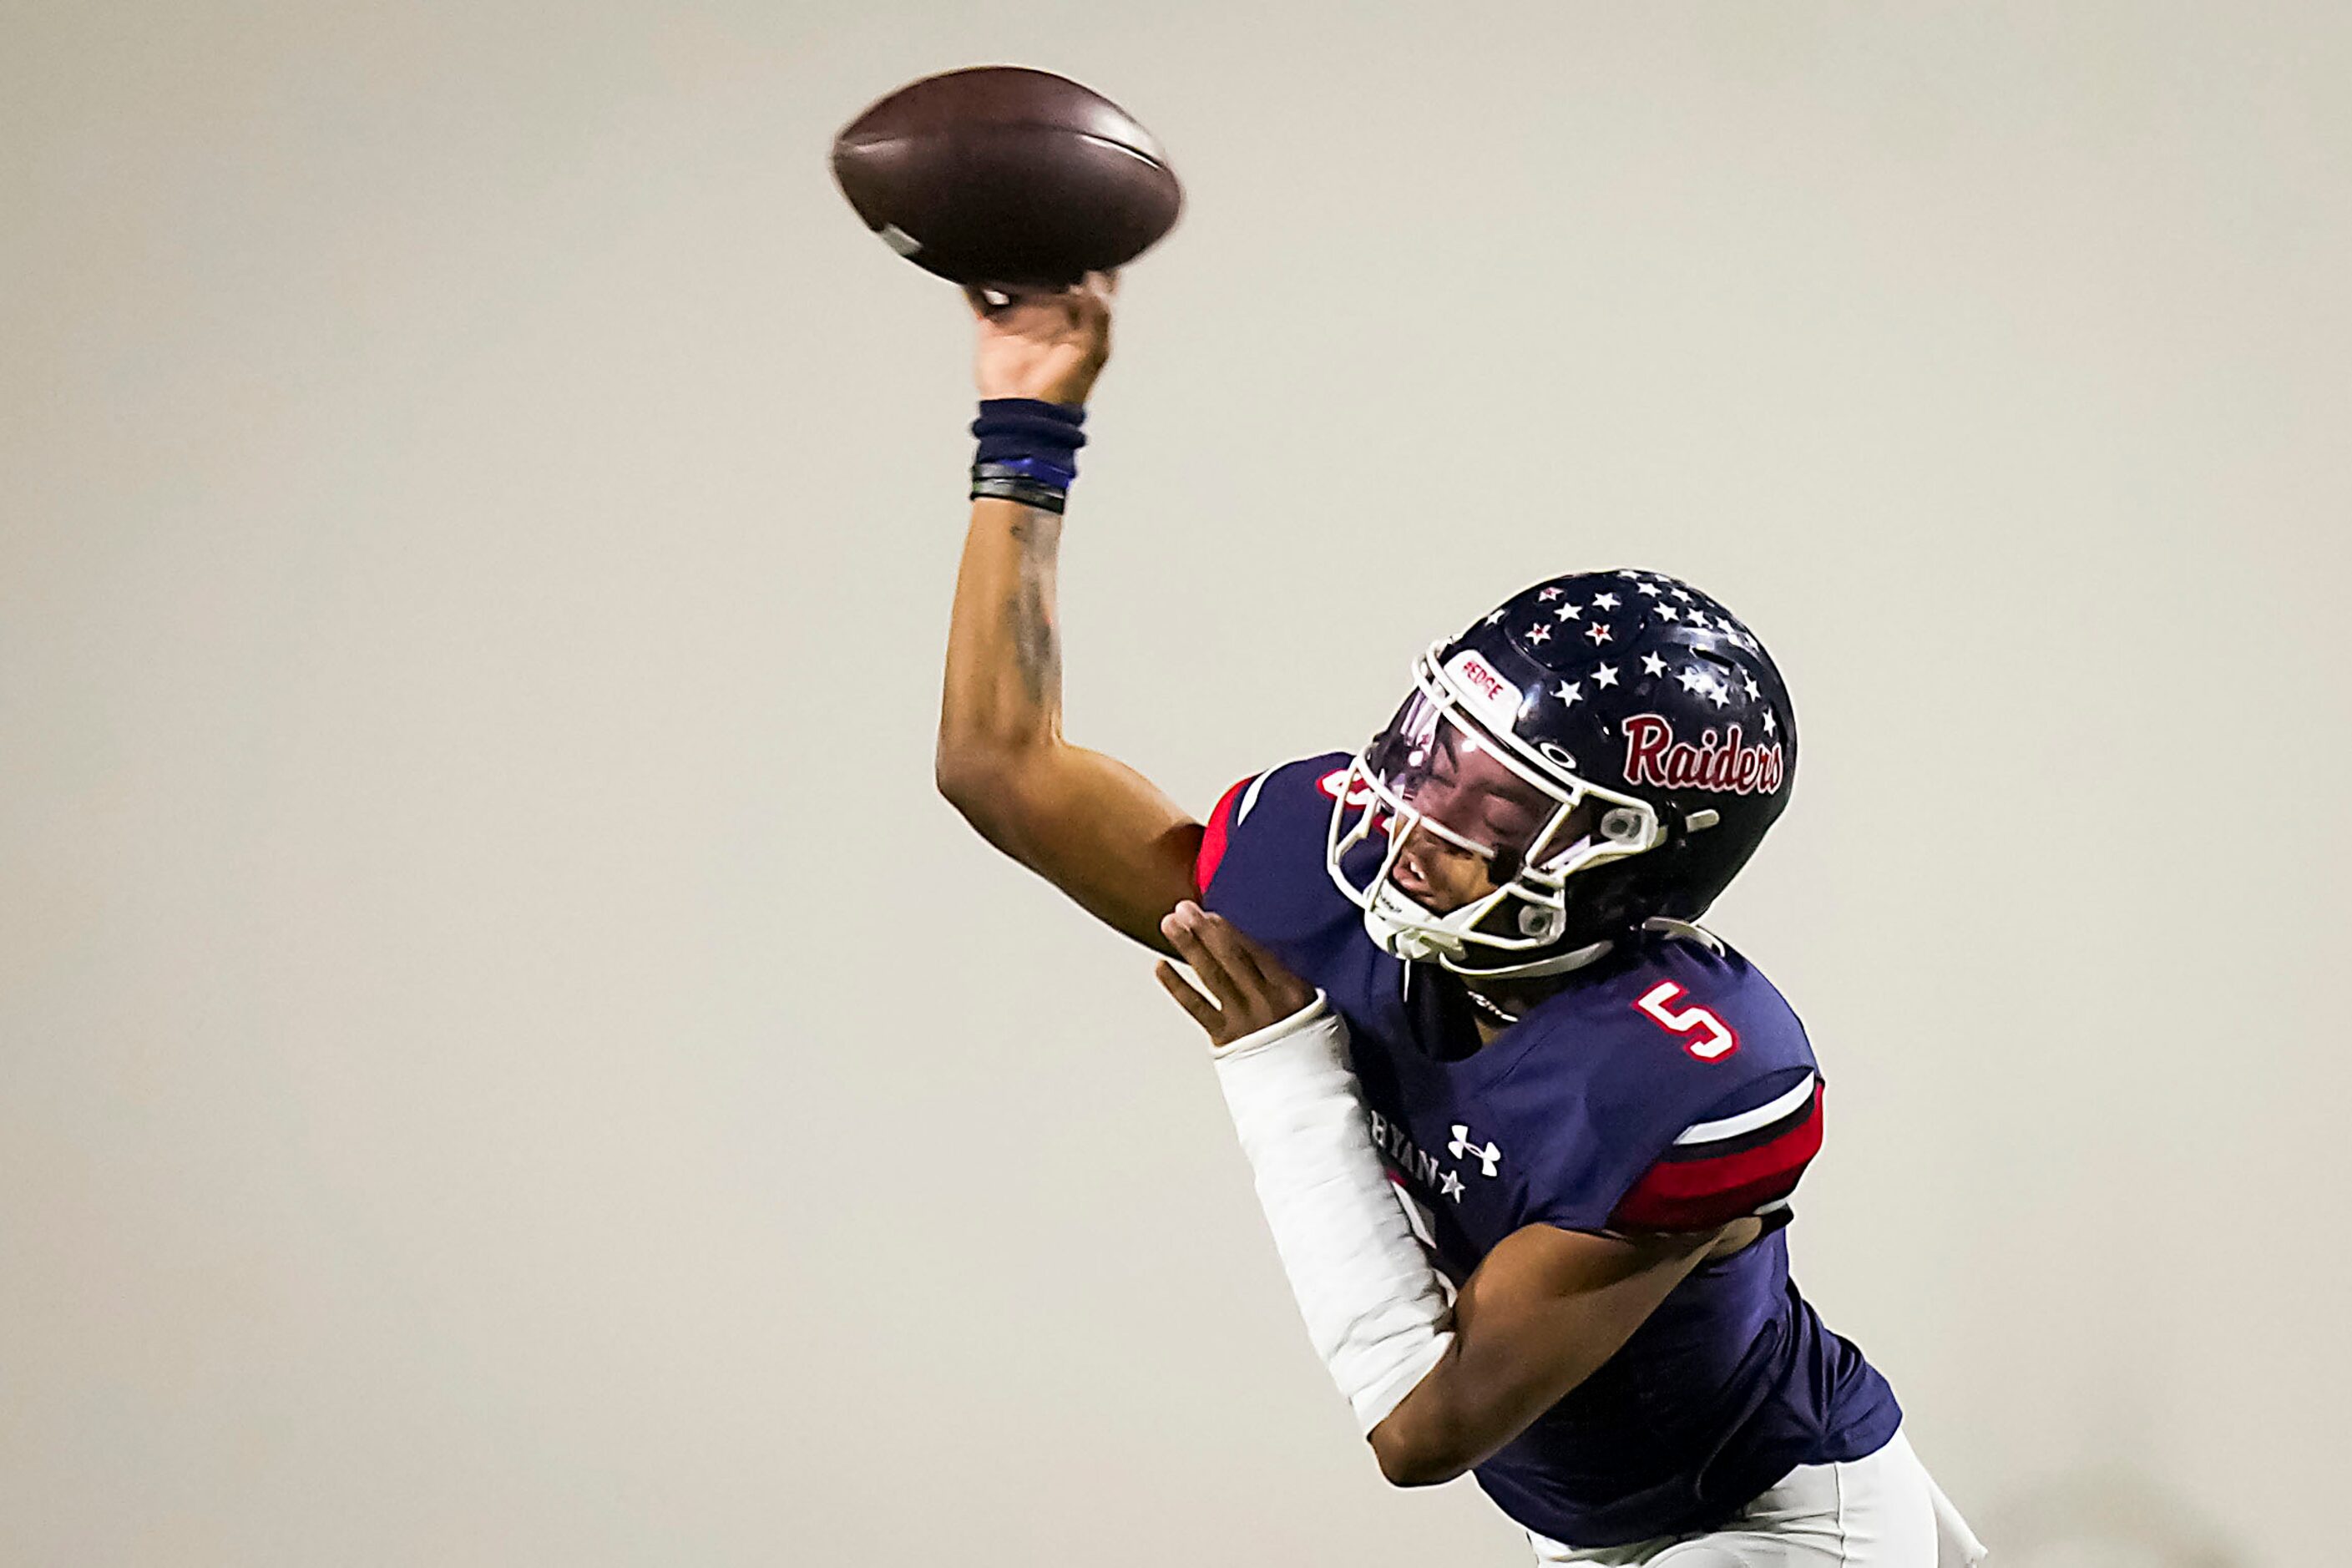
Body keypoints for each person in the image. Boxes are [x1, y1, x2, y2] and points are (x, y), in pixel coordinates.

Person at [932, 274, 1985, 1566]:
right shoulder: (1326, 872)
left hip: (1768, 1512)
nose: (1413, 819)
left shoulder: (1686, 1075)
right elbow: (997, 765)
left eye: (1496, 804)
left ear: (1625, 863)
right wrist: (1024, 427)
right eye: (1433, 755)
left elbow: (1418, 1429)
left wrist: (1280, 1074)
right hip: (1587, 1526)